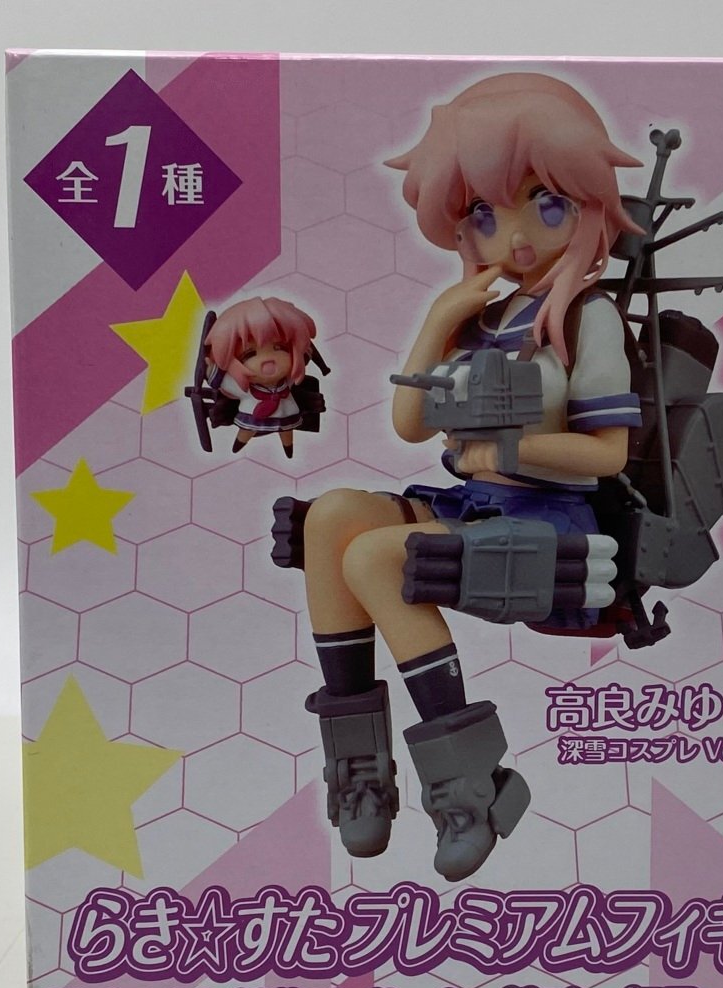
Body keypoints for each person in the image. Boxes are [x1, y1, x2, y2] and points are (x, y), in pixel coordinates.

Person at [287, 73, 644, 881]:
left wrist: (512, 454)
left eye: (543, 204)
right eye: (484, 214)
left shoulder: (585, 317)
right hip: (476, 504)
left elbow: (608, 456)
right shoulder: (483, 320)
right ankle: (361, 771)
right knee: (331, 517)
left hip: (549, 519)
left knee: (377, 556)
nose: (513, 234)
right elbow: (411, 424)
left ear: (585, 204)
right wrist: (439, 320)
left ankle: (470, 786)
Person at [204, 296, 317, 459]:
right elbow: (223, 383)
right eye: (250, 354)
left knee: (286, 430)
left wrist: (303, 351)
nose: (268, 360)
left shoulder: (286, 381)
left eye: (280, 348)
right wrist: (211, 370)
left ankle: (288, 448)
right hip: (252, 412)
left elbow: (296, 375)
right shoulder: (245, 388)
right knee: (248, 430)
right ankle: (239, 444)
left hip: (287, 410)